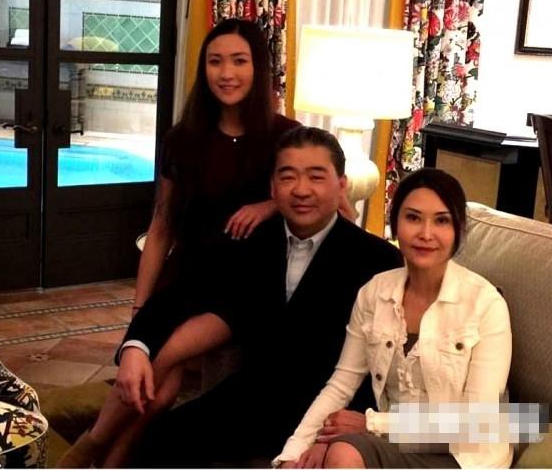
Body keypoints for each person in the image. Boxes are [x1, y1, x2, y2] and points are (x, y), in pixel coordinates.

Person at [58, 18, 300, 468]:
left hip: (244, 286)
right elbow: (162, 225)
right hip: (188, 276)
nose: (226, 73)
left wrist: (269, 205)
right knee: (162, 388)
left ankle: (87, 448)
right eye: (215, 61)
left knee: (161, 356)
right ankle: (111, 462)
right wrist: (140, 305)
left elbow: (315, 197)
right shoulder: (183, 138)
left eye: (239, 61)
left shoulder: (285, 136)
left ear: (258, 68)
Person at [114, 126, 402, 468]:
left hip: (327, 413)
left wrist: (346, 432)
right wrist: (135, 347)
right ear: (272, 188)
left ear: (341, 185)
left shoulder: (378, 260)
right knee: (159, 442)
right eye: (288, 177)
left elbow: (382, 367)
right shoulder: (249, 241)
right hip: (250, 400)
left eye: (316, 177)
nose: (301, 190)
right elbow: (179, 295)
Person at [274, 168, 513, 469]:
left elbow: (477, 422)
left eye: (441, 220)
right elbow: (341, 383)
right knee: (343, 452)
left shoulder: (486, 304)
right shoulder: (375, 292)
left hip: (465, 455)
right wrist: (293, 453)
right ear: (395, 223)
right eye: (413, 218)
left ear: (459, 230)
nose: (426, 233)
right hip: (397, 442)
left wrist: (374, 423)